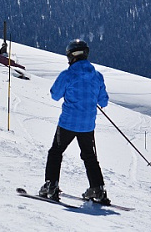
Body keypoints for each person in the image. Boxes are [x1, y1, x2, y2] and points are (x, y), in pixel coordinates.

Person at [38, 39, 110, 204]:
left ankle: (51, 185)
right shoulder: (97, 76)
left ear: (70, 56)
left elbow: (55, 95)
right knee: (89, 156)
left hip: (68, 123)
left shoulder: (67, 75)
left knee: (56, 152)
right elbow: (104, 101)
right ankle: (98, 189)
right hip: (87, 125)